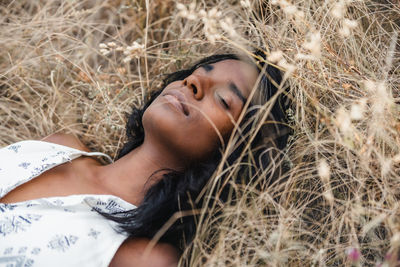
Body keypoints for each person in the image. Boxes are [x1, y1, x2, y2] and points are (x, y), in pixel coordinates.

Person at [0, 53, 290, 266]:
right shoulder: (56, 148)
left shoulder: (142, 258)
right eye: (201, 71)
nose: (193, 82)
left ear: (233, 154)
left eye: (224, 99)